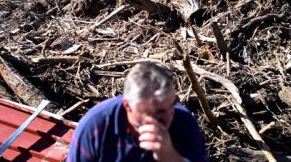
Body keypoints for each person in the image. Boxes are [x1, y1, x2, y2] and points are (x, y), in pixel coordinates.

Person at [67, 62, 208, 162]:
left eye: (171, 105)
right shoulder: (95, 126)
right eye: (157, 112)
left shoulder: (183, 122)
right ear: (128, 106)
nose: (168, 116)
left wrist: (170, 156)